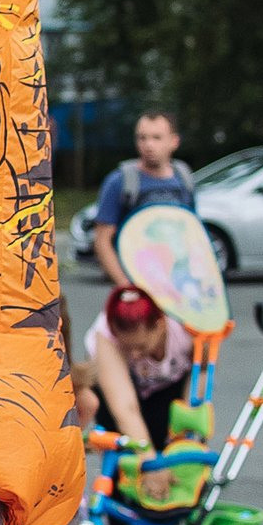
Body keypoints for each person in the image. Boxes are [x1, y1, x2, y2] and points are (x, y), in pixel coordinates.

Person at [78, 283, 196, 453]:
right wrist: (149, 463)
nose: (134, 355)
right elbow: (125, 408)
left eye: (141, 347)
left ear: (160, 325)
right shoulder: (104, 333)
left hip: (169, 390)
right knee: (128, 456)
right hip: (122, 393)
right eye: (127, 348)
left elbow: (200, 376)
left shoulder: (184, 328)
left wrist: (185, 438)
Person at [91, 110, 199, 288]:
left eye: (156, 138)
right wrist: (126, 287)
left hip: (180, 289)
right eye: (142, 138)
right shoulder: (120, 181)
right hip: (138, 288)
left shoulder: (184, 178)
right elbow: (102, 241)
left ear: (174, 141)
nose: (148, 145)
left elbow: (193, 233)